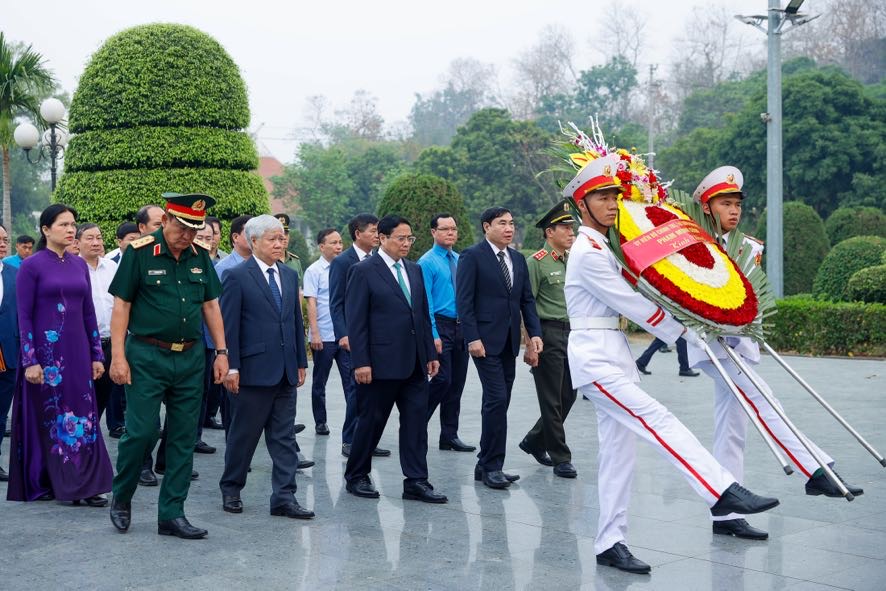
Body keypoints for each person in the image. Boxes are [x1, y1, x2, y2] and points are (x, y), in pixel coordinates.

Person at [562, 154, 780, 574]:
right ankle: (721, 489)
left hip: (615, 353)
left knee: (618, 454)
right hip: (594, 360)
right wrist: (689, 330)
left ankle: (611, 541)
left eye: (614, 196)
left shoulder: (606, 247)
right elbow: (637, 305)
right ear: (582, 206)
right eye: (600, 197)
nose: (611, 204)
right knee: (657, 419)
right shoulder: (587, 253)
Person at [687, 166, 863, 541]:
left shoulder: (748, 247)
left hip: (742, 342)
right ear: (707, 206)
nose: (733, 211)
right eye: (724, 203)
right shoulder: (691, 246)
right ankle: (816, 471)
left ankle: (726, 513)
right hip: (712, 345)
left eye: (737, 204)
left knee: (732, 429)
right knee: (762, 397)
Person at [107, 192, 227, 539]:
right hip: (146, 355)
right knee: (142, 432)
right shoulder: (140, 252)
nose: (188, 236)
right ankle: (123, 496)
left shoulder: (199, 256)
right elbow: (122, 306)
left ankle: (172, 514)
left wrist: (222, 352)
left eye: (195, 230)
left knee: (182, 436)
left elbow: (211, 307)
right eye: (183, 228)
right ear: (167, 221)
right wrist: (118, 356)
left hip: (189, 358)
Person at [6, 204, 113, 506]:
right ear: (45, 230)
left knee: (85, 417)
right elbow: (23, 315)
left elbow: (89, 313)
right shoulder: (32, 266)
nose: (70, 230)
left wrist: (96, 356)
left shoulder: (79, 265)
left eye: (72, 224)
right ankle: (58, 482)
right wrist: (30, 360)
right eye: (64, 224)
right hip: (47, 358)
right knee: (53, 417)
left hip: (78, 354)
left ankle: (86, 483)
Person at [343, 215, 445, 504]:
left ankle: (416, 480)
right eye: (400, 238)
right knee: (371, 422)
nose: (406, 243)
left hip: (414, 362)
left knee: (415, 423)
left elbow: (422, 314)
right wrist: (361, 362)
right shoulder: (363, 271)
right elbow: (357, 320)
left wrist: (429, 353)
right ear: (382, 238)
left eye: (409, 238)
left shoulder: (414, 270)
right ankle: (357, 475)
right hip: (379, 364)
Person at [219, 215, 314, 519]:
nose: (279, 243)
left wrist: (301, 360)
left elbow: (294, 322)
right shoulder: (236, 276)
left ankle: (284, 497)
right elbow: (229, 326)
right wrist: (231, 367)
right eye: (272, 239)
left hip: (286, 370)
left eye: (282, 237)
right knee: (244, 435)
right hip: (252, 371)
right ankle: (232, 488)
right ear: (253, 241)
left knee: (284, 436)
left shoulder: (288, 275)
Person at [457, 206, 543, 490]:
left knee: (499, 401)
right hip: (484, 341)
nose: (509, 228)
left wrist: (534, 335)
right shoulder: (473, 256)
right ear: (486, 227)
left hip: (508, 342)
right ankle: (493, 465)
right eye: (502, 223)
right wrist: (472, 337)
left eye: (511, 223)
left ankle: (484, 464)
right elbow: (464, 301)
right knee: (496, 399)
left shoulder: (517, 259)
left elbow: (526, 301)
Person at [519, 200, 579, 478]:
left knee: (569, 394)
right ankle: (560, 457)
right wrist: (530, 342)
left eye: (572, 227)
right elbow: (525, 305)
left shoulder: (573, 260)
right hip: (548, 333)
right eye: (565, 228)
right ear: (549, 232)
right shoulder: (536, 263)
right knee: (552, 399)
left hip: (573, 334)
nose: (571, 232)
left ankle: (534, 440)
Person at [329, 213, 389, 459]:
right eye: (373, 231)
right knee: (356, 388)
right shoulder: (343, 262)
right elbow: (336, 302)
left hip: (376, 337)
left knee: (375, 390)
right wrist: (343, 334)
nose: (377, 235)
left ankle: (368, 438)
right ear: (358, 233)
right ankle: (349, 439)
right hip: (353, 338)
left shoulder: (379, 260)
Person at [417, 213, 475, 453]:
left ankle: (449, 435)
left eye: (453, 229)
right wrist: (433, 333)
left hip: (461, 325)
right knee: (442, 379)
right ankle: (416, 421)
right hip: (440, 324)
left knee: (457, 383)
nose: (450, 233)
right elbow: (426, 302)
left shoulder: (460, 260)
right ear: (433, 232)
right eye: (444, 229)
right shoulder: (427, 262)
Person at [77, 223, 124, 436]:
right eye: (89, 238)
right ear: (77, 242)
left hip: (110, 343)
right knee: (80, 402)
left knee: (101, 401)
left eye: (99, 237)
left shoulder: (113, 268)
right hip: (82, 345)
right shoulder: (71, 268)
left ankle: (91, 446)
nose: (96, 242)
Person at [303, 228, 345, 435]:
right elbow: (312, 302)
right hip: (324, 335)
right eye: (333, 243)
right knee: (320, 382)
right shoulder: (314, 271)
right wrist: (315, 333)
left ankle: (354, 425)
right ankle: (320, 421)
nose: (338, 247)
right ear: (321, 247)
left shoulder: (346, 267)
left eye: (340, 242)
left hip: (345, 336)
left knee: (352, 382)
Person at [0, 224, 18, 481]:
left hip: (9, 352)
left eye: (4, 239)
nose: (2, 244)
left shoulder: (15, 273)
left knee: (1, 412)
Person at [214, 215, 254, 281]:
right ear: (235, 237)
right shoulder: (222, 267)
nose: (254, 237)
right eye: (249, 233)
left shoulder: (263, 263)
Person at [635, 336, 699, 377]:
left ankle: (641, 363)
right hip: (672, 321)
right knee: (682, 341)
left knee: (659, 340)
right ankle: (684, 368)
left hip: (667, 322)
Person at [274, 213, 303, 285]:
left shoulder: (295, 261)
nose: (284, 237)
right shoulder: (268, 260)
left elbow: (299, 288)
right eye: (281, 234)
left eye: (286, 233)